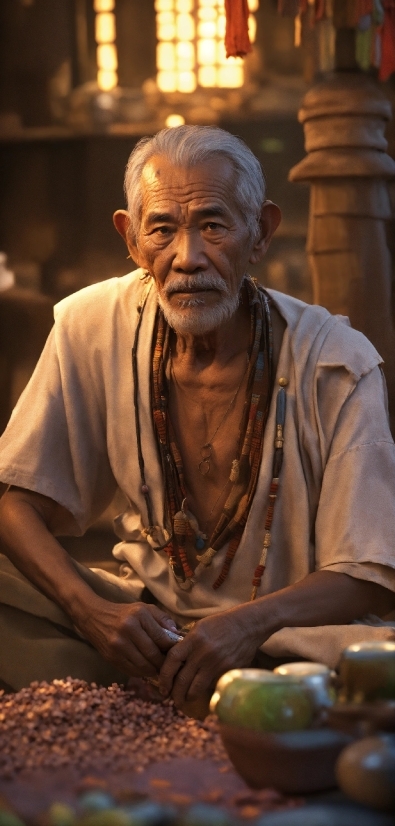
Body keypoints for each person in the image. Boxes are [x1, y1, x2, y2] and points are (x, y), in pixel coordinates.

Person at [0, 125, 394, 704]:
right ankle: (142, 676)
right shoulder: (93, 327)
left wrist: (245, 624)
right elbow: (15, 504)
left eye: (213, 226)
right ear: (131, 239)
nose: (188, 258)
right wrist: (93, 613)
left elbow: (368, 572)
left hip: (290, 642)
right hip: (149, 630)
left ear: (260, 234)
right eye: (162, 229)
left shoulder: (333, 361)